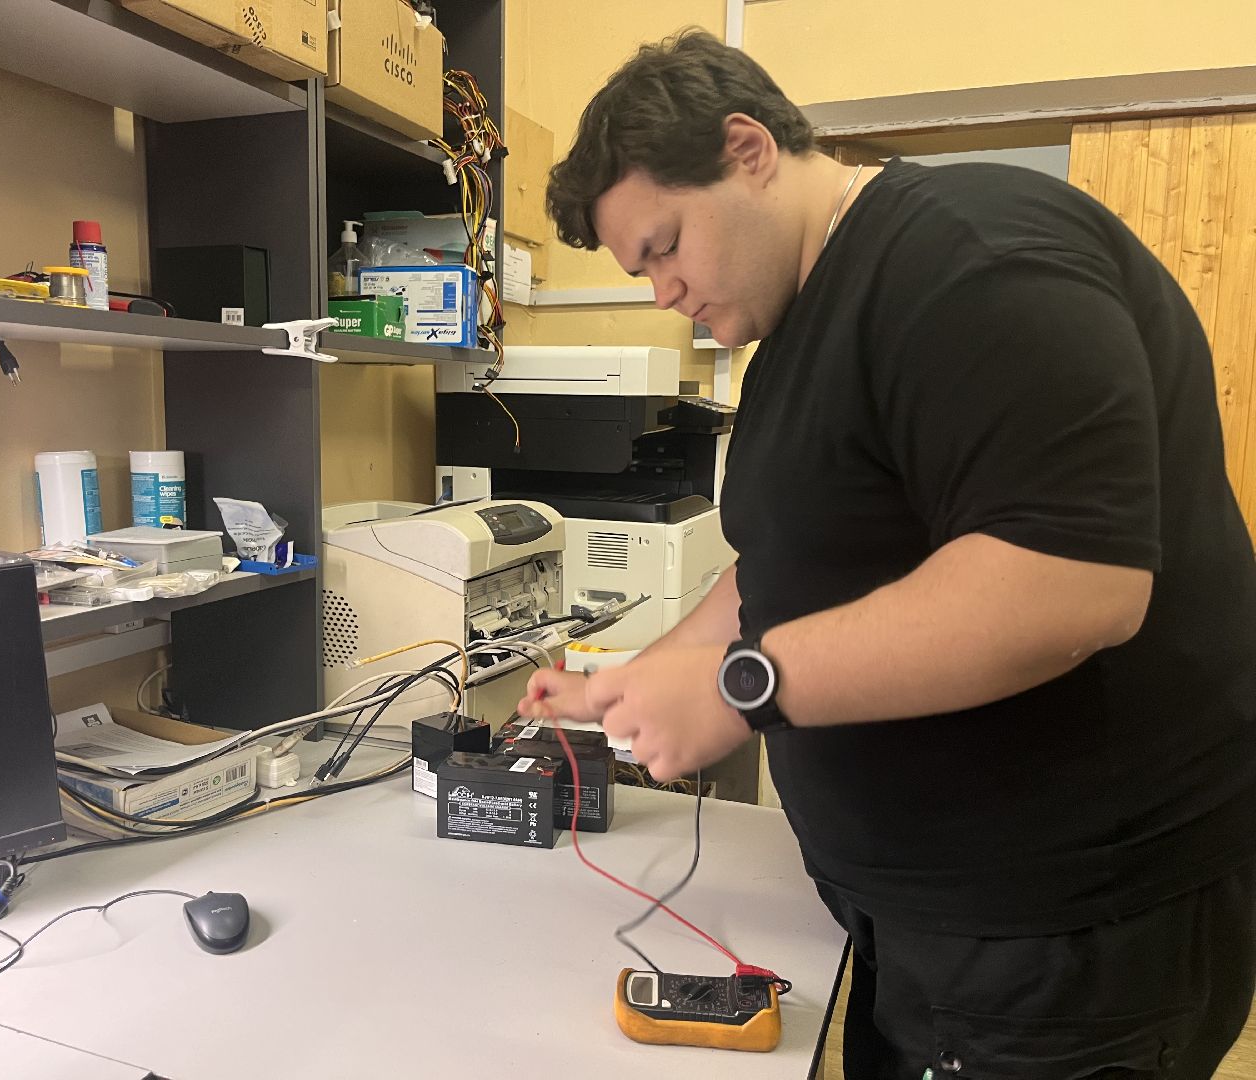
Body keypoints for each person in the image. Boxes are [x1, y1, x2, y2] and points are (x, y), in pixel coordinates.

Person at [516, 28, 1256, 1079]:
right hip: (932, 926)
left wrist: (740, 688)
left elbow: (1068, 584)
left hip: (1064, 942)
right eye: (641, 271)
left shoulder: (969, 261)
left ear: (747, 150)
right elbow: (785, 559)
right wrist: (643, 676)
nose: (662, 291)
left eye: (666, 245)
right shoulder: (797, 328)